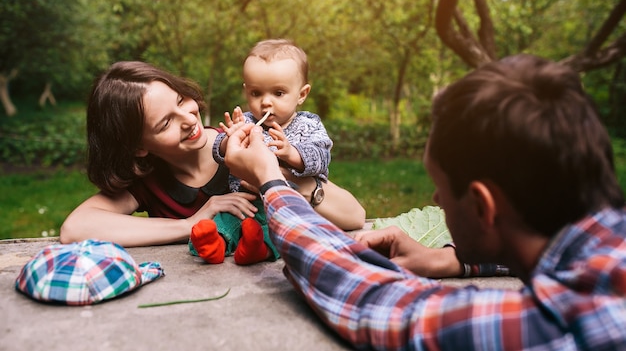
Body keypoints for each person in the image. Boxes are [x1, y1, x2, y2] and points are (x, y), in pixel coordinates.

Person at [221, 54, 626, 350]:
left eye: (440, 190)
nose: (435, 199)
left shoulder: (555, 328)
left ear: (484, 207)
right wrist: (453, 260)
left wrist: (271, 180)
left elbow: (371, 300)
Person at [58, 61, 346, 265]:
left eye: (181, 100)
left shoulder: (241, 147)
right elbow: (76, 228)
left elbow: (355, 215)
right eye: (166, 122)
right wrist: (191, 223)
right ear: (139, 148)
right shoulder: (150, 180)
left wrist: (274, 176)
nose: (188, 118)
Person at [212, 38, 365, 230]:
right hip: (247, 203)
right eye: (256, 93)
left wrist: (292, 153)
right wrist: (229, 140)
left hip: (294, 204)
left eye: (278, 93)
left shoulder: (307, 124)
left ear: (301, 94)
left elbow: (321, 157)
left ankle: (261, 246)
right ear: (246, 91)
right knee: (224, 223)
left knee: (288, 229)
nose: (266, 102)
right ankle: (214, 240)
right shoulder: (245, 121)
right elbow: (218, 152)